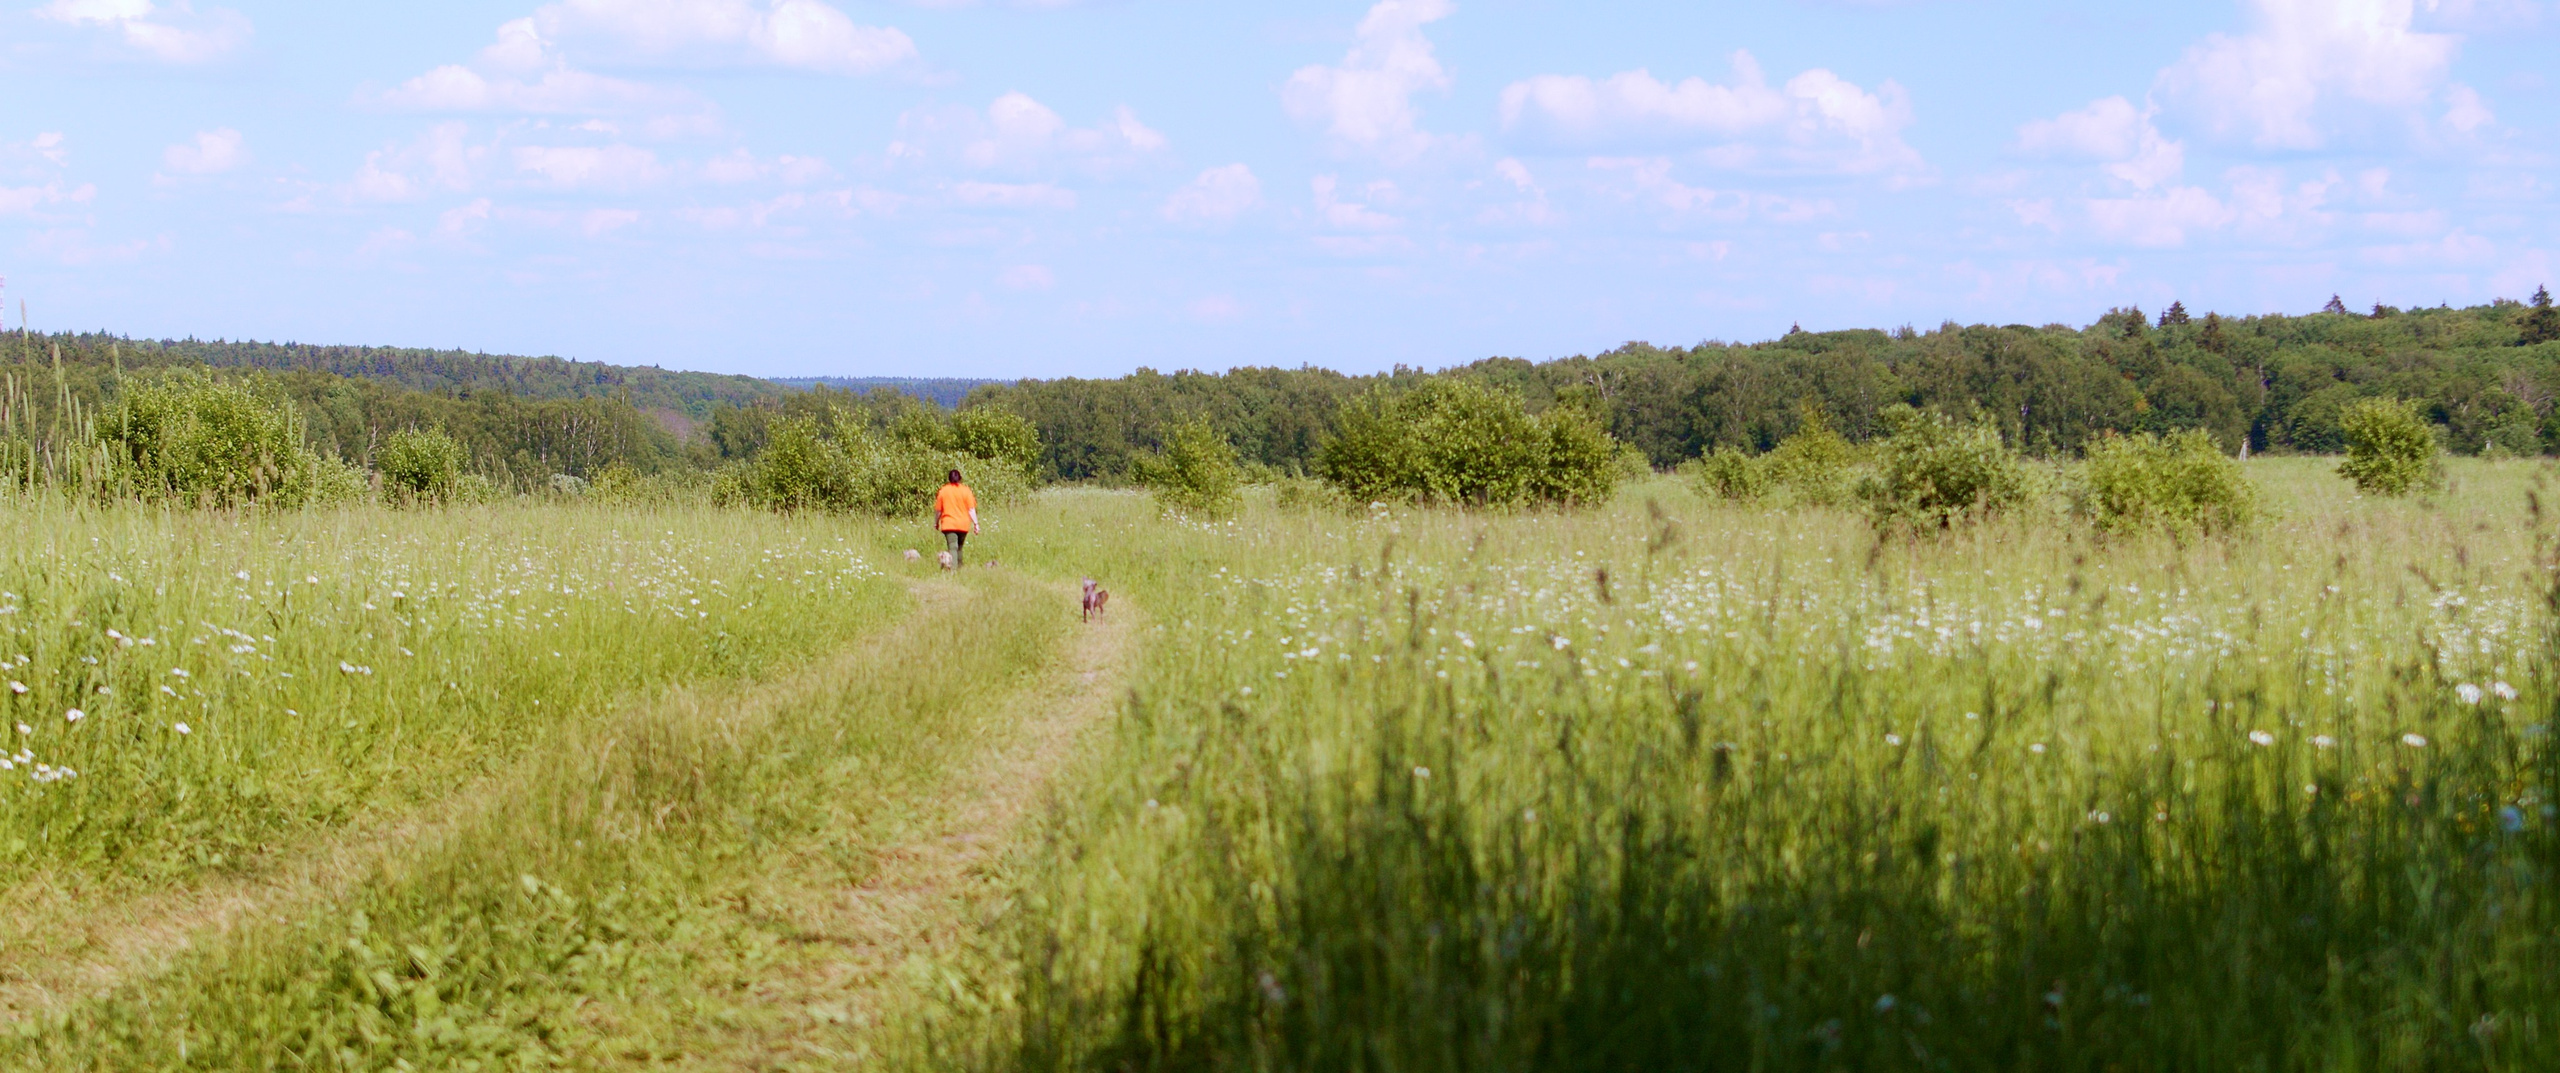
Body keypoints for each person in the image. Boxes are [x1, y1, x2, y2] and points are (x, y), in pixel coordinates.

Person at [935, 468, 979, 567]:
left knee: (952, 547)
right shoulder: (966, 491)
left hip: (949, 524)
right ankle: (959, 567)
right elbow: (971, 509)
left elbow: (938, 510)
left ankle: (953, 570)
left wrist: (936, 522)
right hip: (963, 524)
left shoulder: (943, 491)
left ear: (949, 478)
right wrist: (976, 524)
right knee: (959, 547)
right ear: (960, 478)